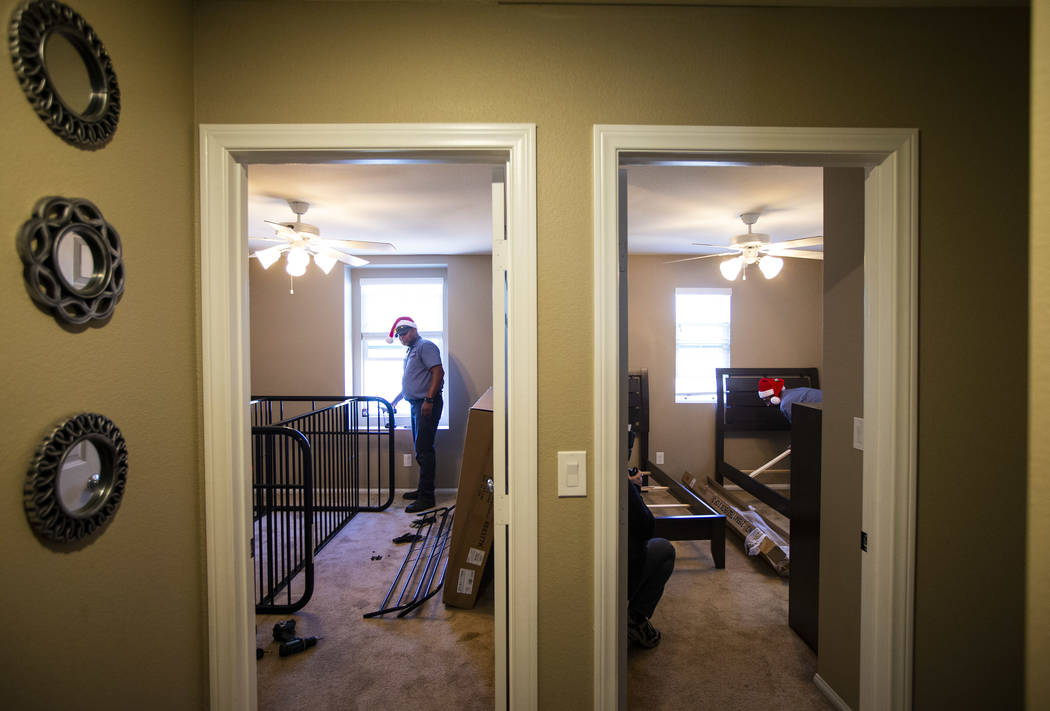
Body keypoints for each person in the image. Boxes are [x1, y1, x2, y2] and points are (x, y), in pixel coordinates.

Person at [388, 316, 444, 513]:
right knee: (420, 449)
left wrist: (428, 400)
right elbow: (412, 381)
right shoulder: (411, 351)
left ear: (414, 330)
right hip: (416, 405)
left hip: (426, 404)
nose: (402, 337)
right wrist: (396, 400)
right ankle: (422, 490)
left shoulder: (425, 346)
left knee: (424, 450)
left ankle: (427, 498)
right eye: (399, 335)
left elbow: (438, 372)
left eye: (404, 333)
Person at [626, 433, 676, 648]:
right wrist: (635, 488)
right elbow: (646, 527)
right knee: (664, 549)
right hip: (623, 573)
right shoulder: (621, 484)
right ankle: (634, 619)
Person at [758, 377, 823, 423]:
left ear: (774, 398)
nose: (768, 405)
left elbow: (800, 427)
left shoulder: (785, 404)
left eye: (767, 401)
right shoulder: (792, 392)